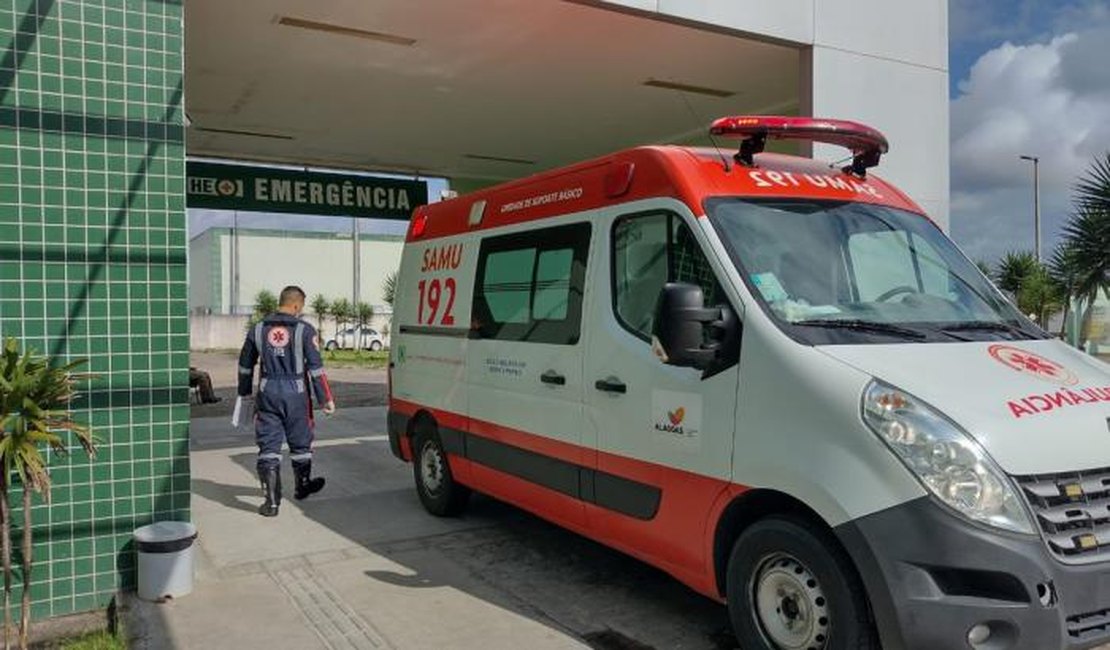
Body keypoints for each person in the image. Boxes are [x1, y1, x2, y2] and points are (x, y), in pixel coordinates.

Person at [237, 285, 336, 517]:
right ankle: (302, 486)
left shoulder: (258, 329)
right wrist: (325, 399)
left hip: (268, 391)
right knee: (300, 441)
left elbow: (245, 365)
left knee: (268, 444)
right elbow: (315, 369)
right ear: (296, 305)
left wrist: (244, 393)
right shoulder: (305, 330)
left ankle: (271, 502)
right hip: (296, 393)